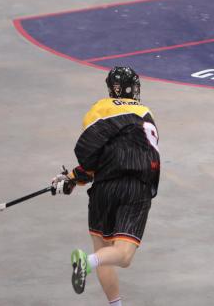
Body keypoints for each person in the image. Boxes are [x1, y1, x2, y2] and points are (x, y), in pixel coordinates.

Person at [51, 66, 160, 305]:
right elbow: (138, 156)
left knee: (102, 251)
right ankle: (86, 263)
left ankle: (115, 303)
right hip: (135, 189)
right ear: (135, 88)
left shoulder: (99, 109)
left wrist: (71, 178)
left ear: (111, 89)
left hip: (103, 191)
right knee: (123, 256)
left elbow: (93, 158)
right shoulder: (145, 113)